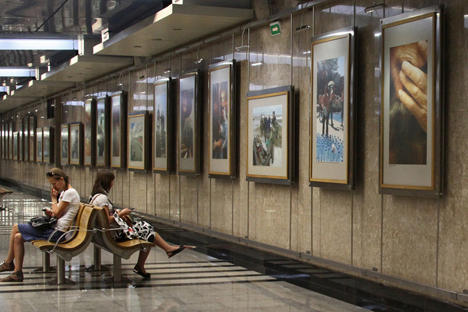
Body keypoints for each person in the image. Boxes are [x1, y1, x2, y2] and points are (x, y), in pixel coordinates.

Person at [89, 169, 192, 279]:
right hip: (113, 234)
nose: (113, 184)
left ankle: (163, 252)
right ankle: (163, 252)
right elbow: (108, 220)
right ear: (107, 182)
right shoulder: (102, 198)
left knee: (144, 228)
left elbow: (105, 217)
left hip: (101, 234)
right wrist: (122, 213)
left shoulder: (94, 196)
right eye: (112, 181)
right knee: (147, 230)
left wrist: (117, 213)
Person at [0, 168, 80, 282]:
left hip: (58, 233)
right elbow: (56, 213)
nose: (54, 186)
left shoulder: (70, 193)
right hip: (55, 229)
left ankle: (8, 262)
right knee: (18, 237)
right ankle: (17, 272)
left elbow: (56, 214)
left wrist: (53, 199)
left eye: (54, 183)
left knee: (15, 228)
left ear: (61, 179)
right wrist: (51, 211)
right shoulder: (64, 193)